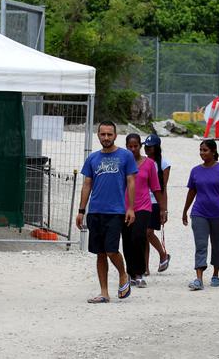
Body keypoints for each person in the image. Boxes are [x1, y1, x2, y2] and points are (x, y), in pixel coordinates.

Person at [76, 121, 137, 303]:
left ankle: (123, 274)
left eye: (109, 134)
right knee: (100, 253)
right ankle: (104, 292)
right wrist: (81, 210)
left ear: (115, 135)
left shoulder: (125, 156)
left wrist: (131, 208)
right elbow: (87, 184)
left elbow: (131, 182)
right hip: (95, 211)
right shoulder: (93, 159)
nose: (106, 138)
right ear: (98, 135)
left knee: (111, 250)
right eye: (103, 134)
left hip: (116, 211)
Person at [181, 139, 219, 291]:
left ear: (213, 151)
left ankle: (215, 274)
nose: (202, 153)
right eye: (200, 150)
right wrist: (185, 210)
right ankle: (199, 278)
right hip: (199, 212)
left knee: (217, 244)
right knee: (200, 245)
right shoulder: (195, 171)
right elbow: (191, 192)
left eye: (205, 150)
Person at [122, 134, 166, 288]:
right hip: (124, 207)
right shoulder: (122, 163)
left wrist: (162, 209)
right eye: (130, 146)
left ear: (140, 146)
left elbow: (156, 187)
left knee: (139, 237)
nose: (133, 149)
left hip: (143, 206)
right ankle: (130, 273)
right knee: (127, 240)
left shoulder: (149, 164)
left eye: (136, 146)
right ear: (126, 146)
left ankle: (139, 273)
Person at [143, 134, 171, 275]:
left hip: (155, 201)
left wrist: (163, 209)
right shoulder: (142, 162)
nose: (147, 148)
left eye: (150, 146)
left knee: (148, 232)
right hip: (142, 200)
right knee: (143, 235)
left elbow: (163, 187)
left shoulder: (164, 164)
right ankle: (145, 267)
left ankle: (162, 254)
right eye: (146, 146)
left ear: (156, 147)